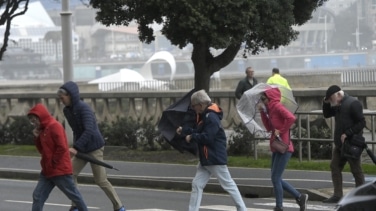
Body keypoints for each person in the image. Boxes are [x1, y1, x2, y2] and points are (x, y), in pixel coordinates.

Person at [57, 81, 126, 211]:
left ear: (71, 95)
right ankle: (76, 205)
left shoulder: (84, 108)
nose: (61, 100)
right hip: (82, 148)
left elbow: (90, 130)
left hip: (95, 148)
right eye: (59, 99)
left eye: (63, 98)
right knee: (70, 174)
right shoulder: (67, 111)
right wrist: (77, 147)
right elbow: (76, 131)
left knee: (100, 180)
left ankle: (119, 206)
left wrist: (75, 147)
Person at [176, 89, 247, 211]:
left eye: (194, 106)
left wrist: (191, 136)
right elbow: (201, 132)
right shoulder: (208, 115)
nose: (193, 108)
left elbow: (207, 137)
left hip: (213, 156)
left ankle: (242, 208)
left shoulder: (210, 117)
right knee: (198, 185)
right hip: (209, 157)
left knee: (227, 184)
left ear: (201, 104)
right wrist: (185, 131)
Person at [28, 103, 88, 211]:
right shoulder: (42, 130)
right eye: (32, 121)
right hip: (47, 171)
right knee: (37, 196)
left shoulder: (54, 126)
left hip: (60, 170)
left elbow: (62, 147)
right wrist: (37, 138)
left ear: (40, 116)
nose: (34, 123)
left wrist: (53, 162)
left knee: (74, 196)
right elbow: (42, 151)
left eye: (34, 120)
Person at [258, 89, 308, 211]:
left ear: (270, 98)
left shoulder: (277, 106)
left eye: (263, 99)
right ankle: (300, 196)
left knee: (275, 178)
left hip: (284, 146)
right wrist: (263, 113)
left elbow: (291, 118)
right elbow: (269, 127)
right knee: (275, 178)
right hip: (276, 145)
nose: (262, 101)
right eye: (261, 99)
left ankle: (279, 206)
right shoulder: (270, 109)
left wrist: (281, 130)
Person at [322, 85, 365, 203]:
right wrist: (325, 102)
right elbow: (326, 114)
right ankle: (337, 195)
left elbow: (361, 122)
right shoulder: (337, 106)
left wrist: (347, 133)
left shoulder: (353, 103)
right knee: (334, 166)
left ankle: (360, 196)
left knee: (356, 170)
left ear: (339, 95)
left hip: (352, 143)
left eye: (331, 99)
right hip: (340, 144)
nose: (331, 102)